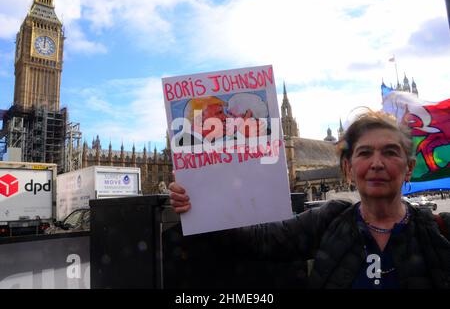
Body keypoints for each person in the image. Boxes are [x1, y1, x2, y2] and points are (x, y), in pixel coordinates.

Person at [169, 110, 450, 289]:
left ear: (409, 167)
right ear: (348, 168)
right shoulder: (329, 220)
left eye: (390, 152)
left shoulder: (439, 231)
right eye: (364, 153)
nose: (377, 163)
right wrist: (201, 204)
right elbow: (258, 240)